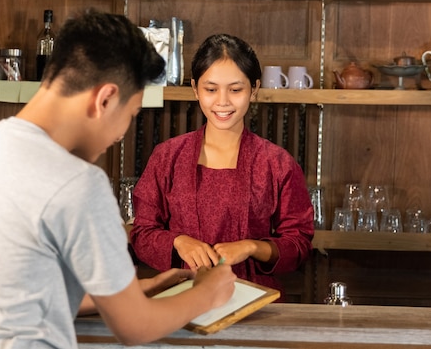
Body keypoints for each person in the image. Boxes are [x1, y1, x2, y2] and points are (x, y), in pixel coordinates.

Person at [0, 10, 236, 348]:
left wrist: (135, 291)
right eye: (131, 114)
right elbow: (136, 328)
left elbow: (14, 296)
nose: (121, 134)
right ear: (104, 99)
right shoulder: (77, 182)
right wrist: (209, 292)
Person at [130, 34, 314, 294]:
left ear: (255, 88)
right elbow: (142, 233)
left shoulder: (277, 163)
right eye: (211, 89)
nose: (223, 101)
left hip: (252, 303)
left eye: (236, 89)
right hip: (180, 301)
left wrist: (251, 246)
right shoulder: (167, 156)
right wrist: (178, 242)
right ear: (195, 89)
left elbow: (299, 244)